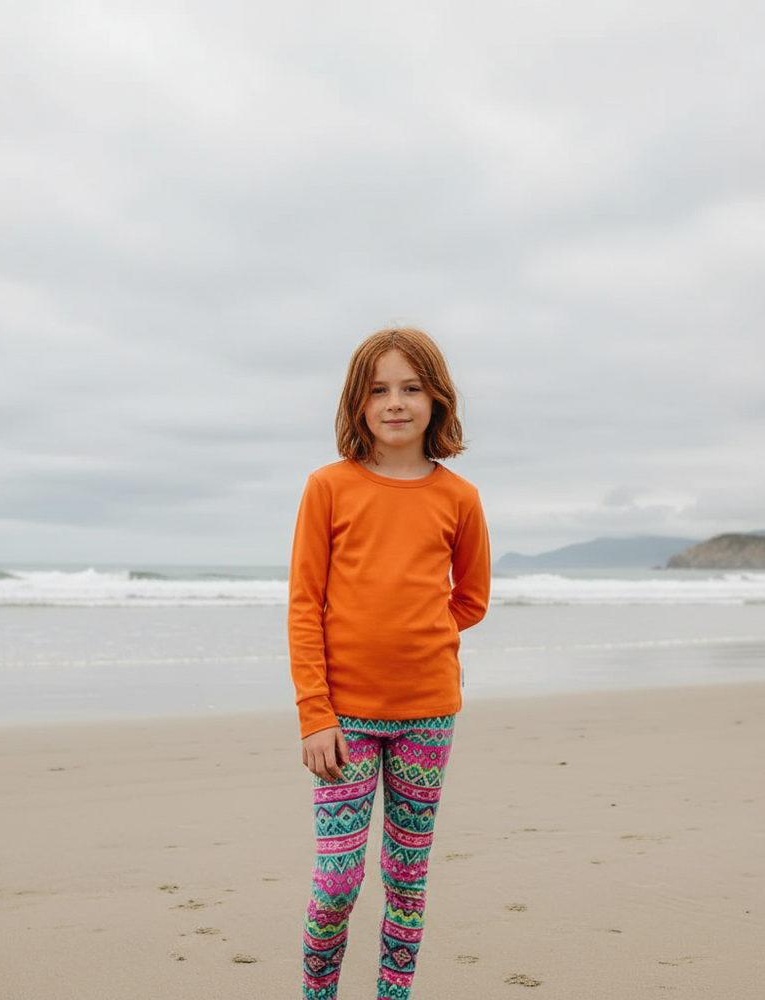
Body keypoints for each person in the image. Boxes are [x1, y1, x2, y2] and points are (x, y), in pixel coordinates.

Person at [288, 327, 491, 1000]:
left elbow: (472, 598)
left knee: (407, 878)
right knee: (337, 883)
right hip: (342, 721)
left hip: (427, 719)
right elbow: (304, 608)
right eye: (379, 390)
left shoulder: (459, 497)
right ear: (357, 402)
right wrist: (315, 714)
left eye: (411, 388)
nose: (395, 403)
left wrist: (424, 642)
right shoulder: (328, 487)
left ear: (437, 400)